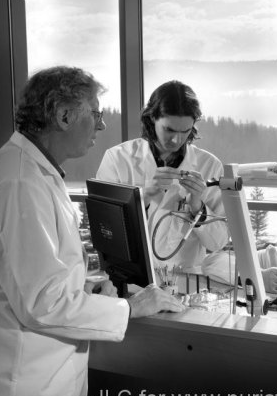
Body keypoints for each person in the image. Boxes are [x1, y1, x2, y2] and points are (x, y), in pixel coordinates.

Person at [0, 66, 185, 396]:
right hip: (20, 385)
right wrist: (130, 308)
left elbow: (32, 276)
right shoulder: (18, 184)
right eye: (95, 113)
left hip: (39, 373)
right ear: (63, 116)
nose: (101, 125)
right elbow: (41, 303)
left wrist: (84, 288)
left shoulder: (34, 173)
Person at [96, 80, 228, 271]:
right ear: (151, 118)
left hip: (185, 280)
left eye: (185, 131)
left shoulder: (209, 165)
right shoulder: (117, 159)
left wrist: (197, 207)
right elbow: (105, 232)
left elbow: (218, 243)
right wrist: (143, 197)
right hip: (131, 277)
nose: (176, 139)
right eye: (169, 130)